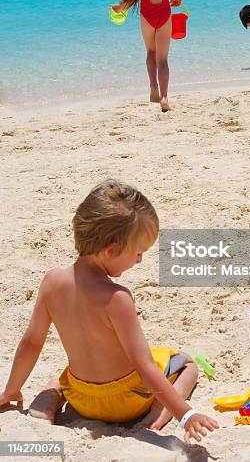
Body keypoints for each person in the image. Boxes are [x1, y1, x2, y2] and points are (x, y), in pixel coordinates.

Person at [0, 180, 218, 443]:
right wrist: (186, 414)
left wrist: (11, 390)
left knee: (66, 371)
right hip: (129, 403)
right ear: (111, 250)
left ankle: (51, 395)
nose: (139, 260)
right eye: (138, 253)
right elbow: (144, 366)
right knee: (186, 363)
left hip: (81, 398)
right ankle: (159, 414)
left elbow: (31, 343)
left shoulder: (51, 282)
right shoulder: (117, 298)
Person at [110, 0, 188, 112]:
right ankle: (164, 97)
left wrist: (119, 8)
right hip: (164, 17)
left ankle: (153, 86)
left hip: (147, 18)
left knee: (150, 53)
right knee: (163, 60)